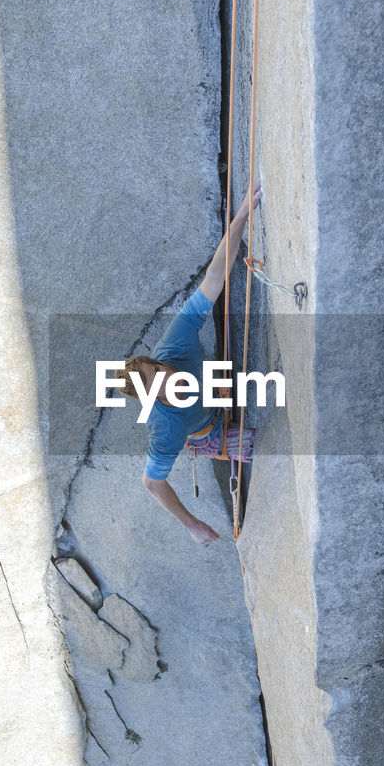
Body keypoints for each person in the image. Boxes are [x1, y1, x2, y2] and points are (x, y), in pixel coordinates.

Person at [115, 181, 261, 544]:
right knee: (263, 444)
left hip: (213, 390)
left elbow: (213, 278)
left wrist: (241, 213)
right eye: (158, 389)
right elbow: (152, 482)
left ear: (158, 361)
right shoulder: (164, 426)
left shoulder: (174, 343)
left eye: (159, 373)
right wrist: (192, 524)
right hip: (205, 431)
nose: (167, 381)